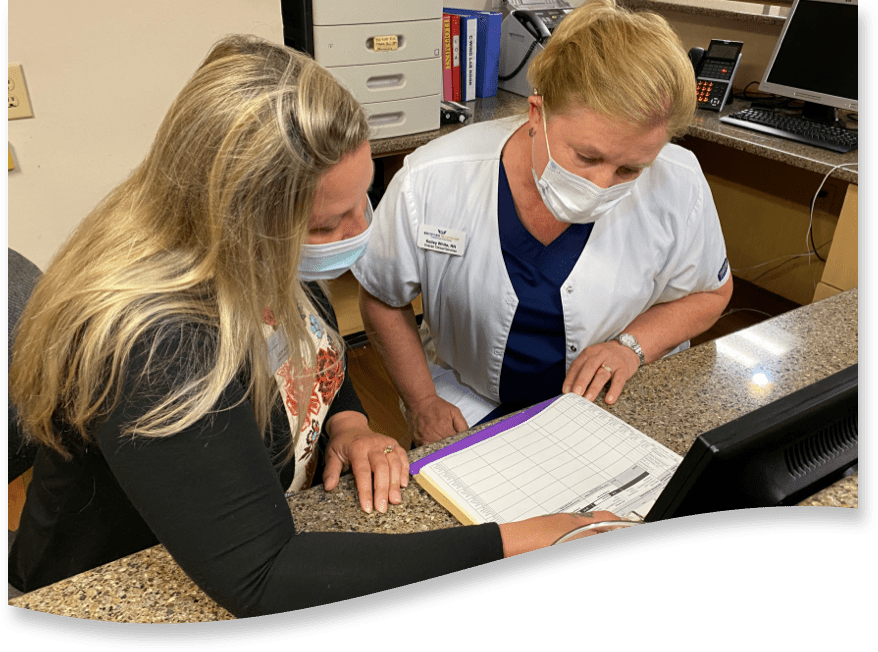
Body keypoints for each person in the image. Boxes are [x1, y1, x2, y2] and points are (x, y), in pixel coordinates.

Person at [7, 35, 623, 618]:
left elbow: (312, 356)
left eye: (363, 201)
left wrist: (348, 424)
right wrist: (526, 540)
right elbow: (262, 577)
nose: (357, 233)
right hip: (111, 587)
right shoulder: (158, 343)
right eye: (327, 226)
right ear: (232, 215)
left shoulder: (267, 246)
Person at [354, 0, 733, 447]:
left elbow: (711, 292)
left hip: (609, 406)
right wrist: (421, 403)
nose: (601, 183)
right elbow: (382, 297)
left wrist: (630, 347)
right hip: (467, 404)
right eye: (587, 157)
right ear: (537, 113)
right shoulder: (432, 178)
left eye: (630, 170)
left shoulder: (679, 179)